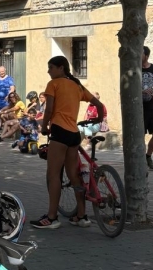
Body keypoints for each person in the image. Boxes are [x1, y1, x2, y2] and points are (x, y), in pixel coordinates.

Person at [31, 55, 105, 230]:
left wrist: (44, 128)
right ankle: (81, 216)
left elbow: (48, 109)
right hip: (74, 134)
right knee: (74, 176)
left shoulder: (53, 84)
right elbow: (99, 105)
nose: (48, 71)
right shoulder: (76, 85)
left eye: (51, 68)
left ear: (61, 68)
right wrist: (99, 120)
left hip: (60, 131)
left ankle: (52, 218)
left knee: (53, 175)